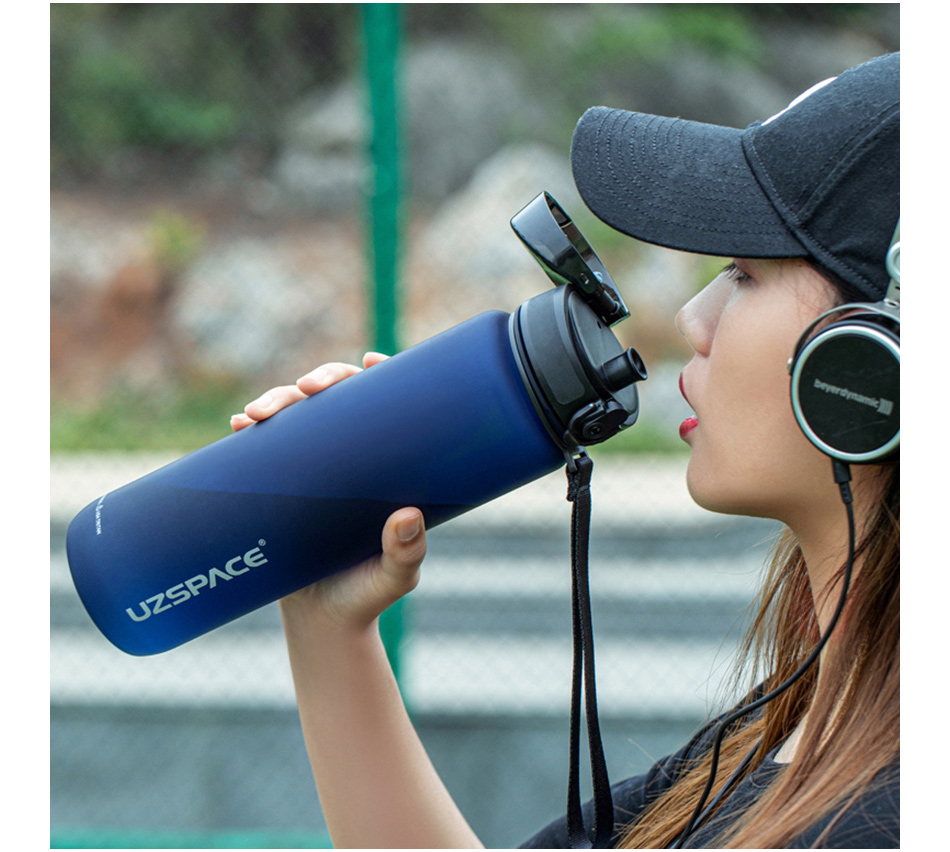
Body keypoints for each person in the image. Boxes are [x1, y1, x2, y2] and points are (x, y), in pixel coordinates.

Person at [230, 52, 899, 848]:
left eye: (746, 273)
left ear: (869, 364)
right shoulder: (795, 742)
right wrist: (329, 629)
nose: (694, 318)